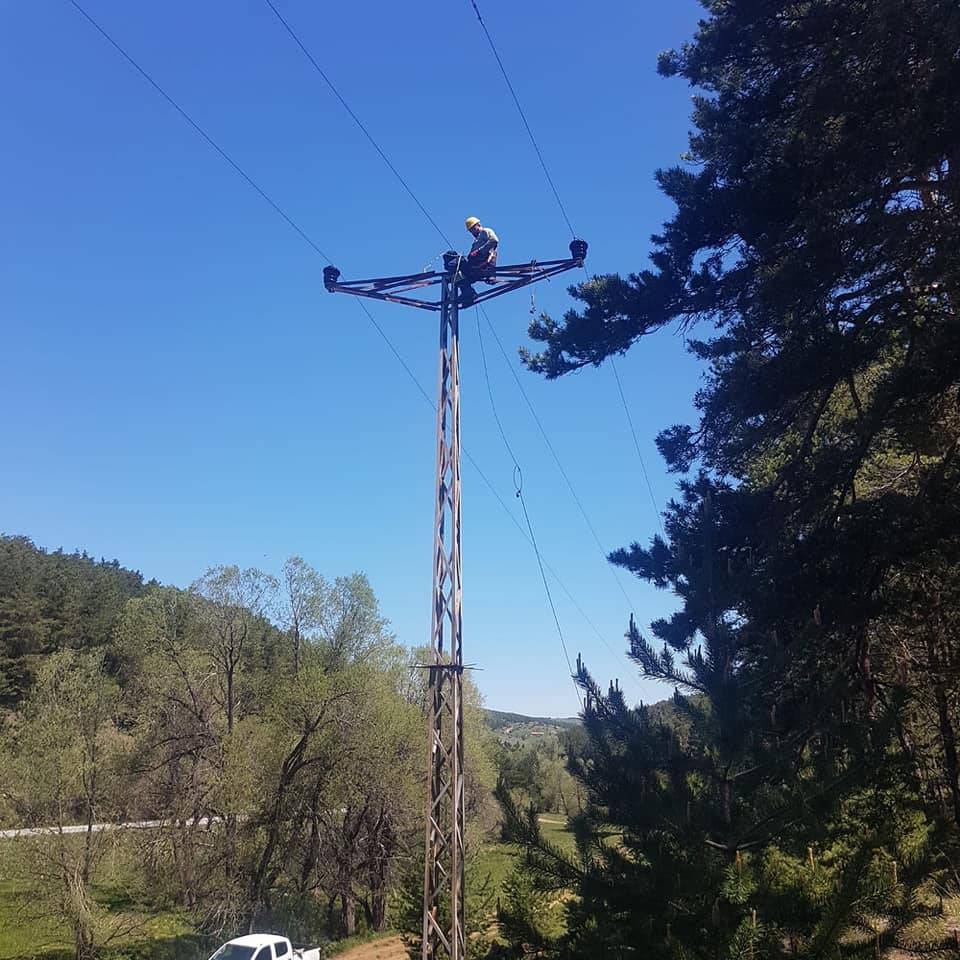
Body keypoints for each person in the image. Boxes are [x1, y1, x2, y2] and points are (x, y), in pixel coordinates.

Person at [457, 216, 498, 306]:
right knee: (458, 275)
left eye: (473, 229)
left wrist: (479, 251)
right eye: (470, 230)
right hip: (476, 263)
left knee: (460, 271)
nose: (472, 232)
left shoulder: (486, 231)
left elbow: (494, 241)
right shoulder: (476, 240)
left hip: (484, 260)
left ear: (478, 225)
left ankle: (469, 293)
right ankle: (468, 295)